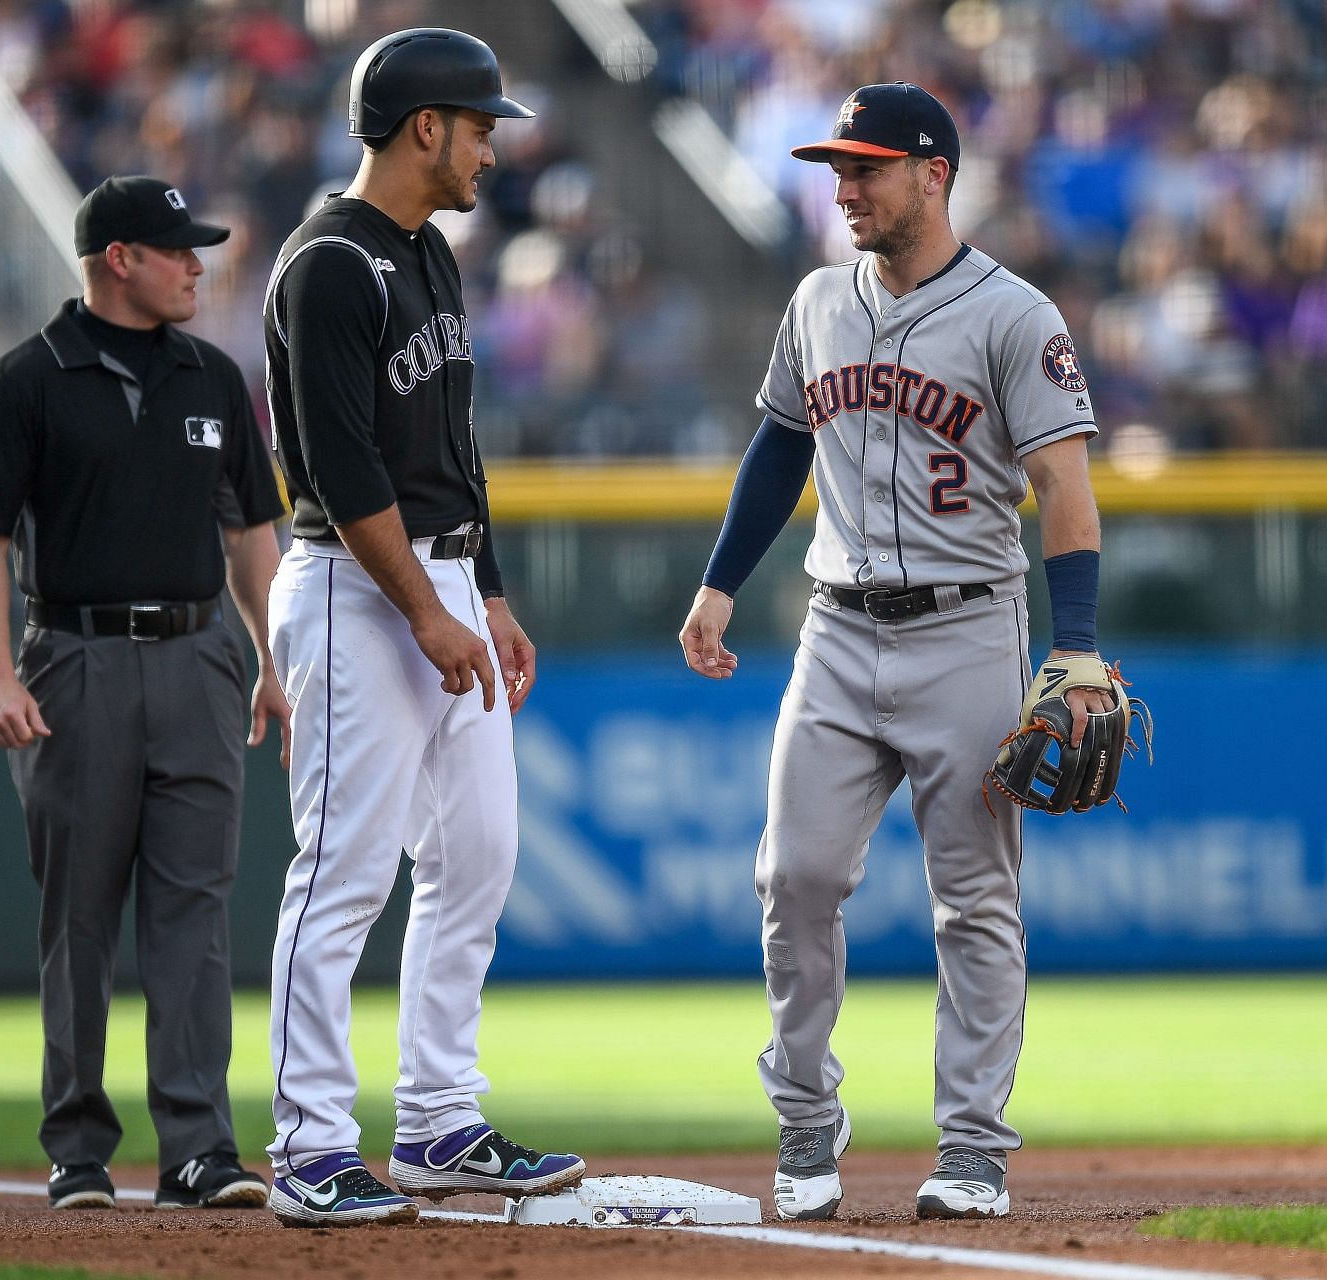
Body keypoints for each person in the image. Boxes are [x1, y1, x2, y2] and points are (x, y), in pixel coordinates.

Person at [678, 83, 1115, 1222]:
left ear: (935, 173)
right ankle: (808, 1122)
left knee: (974, 897)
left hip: (970, 624)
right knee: (796, 876)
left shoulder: (1015, 315)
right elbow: (781, 443)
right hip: (835, 626)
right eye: (838, 167)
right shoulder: (818, 299)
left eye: (866, 167)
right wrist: (720, 584)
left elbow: (1066, 487)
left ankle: (973, 1147)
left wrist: (1075, 650)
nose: (844, 187)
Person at [258, 28, 584, 1229]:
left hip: (438, 583)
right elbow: (337, 468)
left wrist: (484, 596)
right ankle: (308, 1143)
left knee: (481, 852)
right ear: (421, 127)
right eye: (479, 122)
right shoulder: (327, 263)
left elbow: (457, 454)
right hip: (355, 588)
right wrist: (424, 611)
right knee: (343, 868)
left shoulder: (429, 255)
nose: (494, 145)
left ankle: (441, 1119)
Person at [0, 175, 288, 1212]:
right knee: (80, 915)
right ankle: (79, 1147)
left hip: (198, 658)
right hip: (75, 663)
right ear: (118, 261)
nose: (197, 263)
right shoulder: (24, 381)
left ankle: (198, 1146)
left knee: (196, 911)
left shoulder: (214, 376)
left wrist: (273, 657)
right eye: (176, 249)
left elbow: (249, 534)